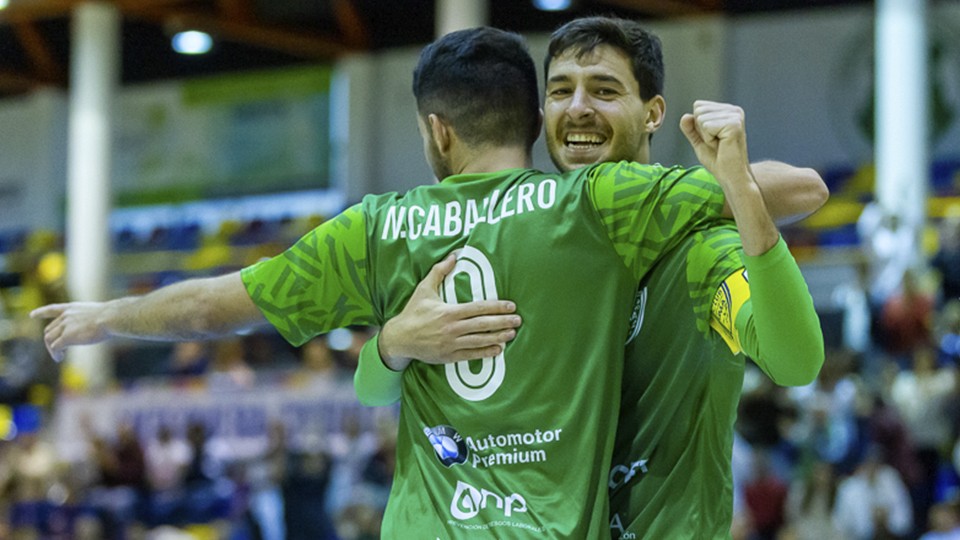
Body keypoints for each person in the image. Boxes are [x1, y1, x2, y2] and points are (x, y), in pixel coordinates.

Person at [37, 27, 784, 536]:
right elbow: (788, 188)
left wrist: (108, 314)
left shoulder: (377, 227)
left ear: (437, 130)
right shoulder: (592, 202)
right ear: (535, 117)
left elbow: (215, 306)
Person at [354, 16, 826, 539]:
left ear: (653, 113)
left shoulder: (699, 253)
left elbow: (795, 361)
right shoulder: (518, 244)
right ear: (539, 117)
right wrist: (391, 342)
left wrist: (740, 190)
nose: (578, 107)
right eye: (561, 90)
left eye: (603, 90)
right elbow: (375, 389)